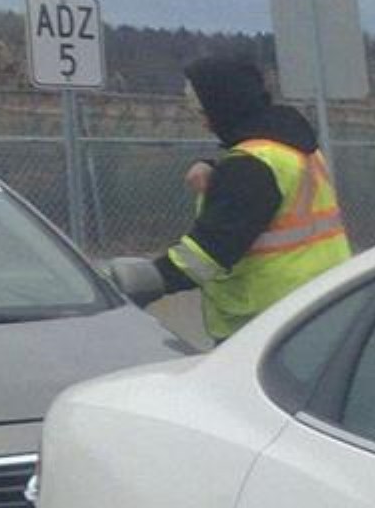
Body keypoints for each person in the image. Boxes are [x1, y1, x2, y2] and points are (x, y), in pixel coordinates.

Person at [103, 55, 350, 339]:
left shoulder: (250, 167)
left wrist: (147, 281)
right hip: (320, 305)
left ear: (225, 107)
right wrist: (217, 167)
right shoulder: (294, 147)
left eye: (204, 112)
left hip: (264, 325)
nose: (206, 123)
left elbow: (205, 255)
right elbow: (266, 192)